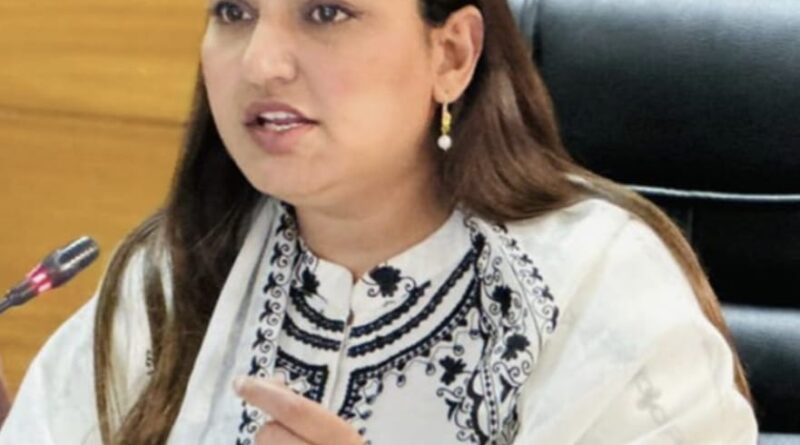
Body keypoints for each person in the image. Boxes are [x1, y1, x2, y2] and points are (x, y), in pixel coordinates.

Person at [0, 0, 758, 444]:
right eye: (233, 11)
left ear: (451, 54)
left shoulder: (601, 289)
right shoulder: (168, 273)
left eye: (326, 11)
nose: (260, 62)